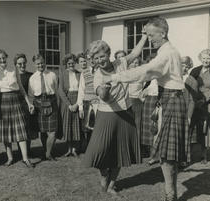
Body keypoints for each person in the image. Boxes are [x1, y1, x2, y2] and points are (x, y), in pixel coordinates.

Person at [103, 17, 190, 201]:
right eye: (147, 35)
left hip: (172, 100)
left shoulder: (167, 53)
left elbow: (146, 71)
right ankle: (170, 193)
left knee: (167, 154)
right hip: (167, 98)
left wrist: (114, 78)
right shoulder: (166, 51)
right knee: (166, 153)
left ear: (163, 33)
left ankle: (170, 195)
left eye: (151, 35)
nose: (149, 39)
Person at [83, 35, 146, 195]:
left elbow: (135, 53)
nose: (100, 60)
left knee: (120, 151)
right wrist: (105, 88)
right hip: (106, 116)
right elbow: (102, 95)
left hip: (125, 113)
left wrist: (144, 36)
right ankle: (104, 176)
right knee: (100, 150)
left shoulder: (121, 63)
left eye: (102, 56)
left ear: (108, 54)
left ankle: (111, 184)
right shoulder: (97, 75)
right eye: (96, 58)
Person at [0, 49, 34, 168]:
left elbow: (20, 87)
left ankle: (25, 158)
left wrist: (28, 102)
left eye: (4, 57)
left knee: (21, 129)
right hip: (1, 101)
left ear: (6, 57)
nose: (2, 60)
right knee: (6, 132)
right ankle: (10, 158)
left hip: (15, 100)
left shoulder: (13, 69)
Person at [28, 54, 58, 161]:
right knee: (43, 131)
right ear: (34, 65)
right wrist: (31, 106)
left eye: (42, 63)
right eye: (38, 64)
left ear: (45, 62)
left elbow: (56, 89)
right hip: (38, 104)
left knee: (53, 131)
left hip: (51, 101)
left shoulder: (52, 75)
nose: (40, 65)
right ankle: (46, 151)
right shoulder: (32, 78)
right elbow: (31, 94)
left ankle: (48, 154)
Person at [59, 53, 81, 157]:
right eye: (69, 63)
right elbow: (61, 91)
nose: (71, 65)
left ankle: (75, 149)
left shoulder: (79, 74)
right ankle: (69, 149)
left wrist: (77, 104)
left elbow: (81, 90)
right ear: (66, 64)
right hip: (67, 102)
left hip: (77, 100)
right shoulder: (63, 74)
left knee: (76, 125)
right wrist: (69, 105)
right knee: (68, 126)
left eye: (72, 63)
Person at [14, 53, 36, 156]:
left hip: (28, 104)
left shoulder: (30, 75)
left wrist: (31, 104)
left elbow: (33, 91)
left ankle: (28, 150)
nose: (22, 65)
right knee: (19, 128)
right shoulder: (13, 76)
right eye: (19, 63)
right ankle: (20, 151)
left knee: (28, 127)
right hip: (17, 105)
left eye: (24, 63)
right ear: (15, 64)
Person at [76, 52, 99, 152]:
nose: (92, 61)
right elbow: (81, 90)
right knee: (87, 128)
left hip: (99, 104)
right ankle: (90, 149)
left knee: (98, 127)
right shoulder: (84, 73)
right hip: (87, 103)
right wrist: (80, 107)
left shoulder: (102, 71)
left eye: (94, 59)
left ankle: (98, 148)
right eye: (90, 59)